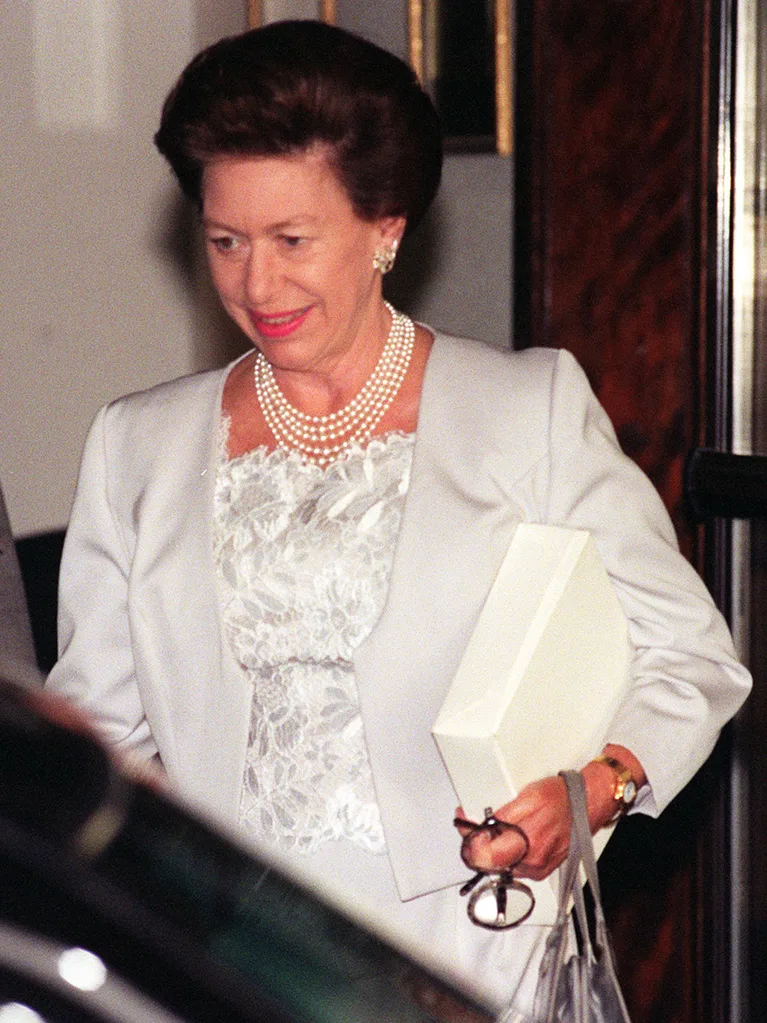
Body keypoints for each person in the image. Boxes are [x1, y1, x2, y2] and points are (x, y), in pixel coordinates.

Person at [45, 20, 751, 1018]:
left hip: (474, 953)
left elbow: (689, 657)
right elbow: (98, 744)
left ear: (386, 229)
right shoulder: (137, 445)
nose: (257, 283)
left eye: (293, 240)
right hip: (233, 961)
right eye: (224, 241)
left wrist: (593, 789)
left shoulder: (524, 411)